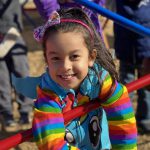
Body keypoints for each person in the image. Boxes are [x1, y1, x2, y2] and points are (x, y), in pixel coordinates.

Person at [12, 7, 137, 149]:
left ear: (91, 57)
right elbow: (52, 145)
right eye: (56, 58)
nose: (65, 66)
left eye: (74, 56)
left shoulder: (99, 79)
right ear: (47, 59)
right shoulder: (48, 96)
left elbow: (122, 118)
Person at [114, 0, 150, 132]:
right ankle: (123, 121)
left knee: (145, 89)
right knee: (126, 88)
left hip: (146, 51)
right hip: (126, 49)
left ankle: (144, 120)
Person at [0, 0, 33, 131]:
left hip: (13, 33)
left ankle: (25, 111)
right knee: (2, 78)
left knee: (21, 72)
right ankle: (6, 113)